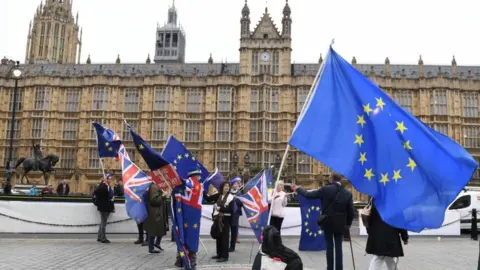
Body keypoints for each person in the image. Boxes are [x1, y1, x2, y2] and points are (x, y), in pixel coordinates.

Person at [293, 173, 354, 270]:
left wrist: (299, 188)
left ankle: (329, 268)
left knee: (329, 246)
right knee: (339, 247)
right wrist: (348, 224)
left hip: (328, 221)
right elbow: (351, 211)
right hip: (340, 223)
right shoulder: (347, 193)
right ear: (340, 180)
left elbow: (308, 195)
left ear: (331, 179)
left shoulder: (325, 189)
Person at [366, 198, 409, 270]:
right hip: (391, 235)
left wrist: (370, 232)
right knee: (383, 257)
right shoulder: (396, 202)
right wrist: (404, 237)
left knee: (383, 257)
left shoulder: (374, 199)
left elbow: (368, 219)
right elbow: (401, 222)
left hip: (377, 235)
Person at [173, 169, 204, 268]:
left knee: (185, 236)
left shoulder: (192, 185)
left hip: (186, 215)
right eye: (197, 176)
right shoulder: (195, 185)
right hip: (191, 216)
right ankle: (188, 260)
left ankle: (184, 259)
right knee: (189, 237)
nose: (198, 178)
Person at [204, 181, 234, 262]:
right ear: (222, 187)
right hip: (217, 219)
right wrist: (202, 190)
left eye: (228, 186)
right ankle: (219, 253)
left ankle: (225, 256)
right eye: (225, 186)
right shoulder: (218, 195)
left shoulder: (231, 197)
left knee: (224, 238)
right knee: (218, 237)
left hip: (226, 219)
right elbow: (208, 198)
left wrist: (220, 209)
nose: (227, 187)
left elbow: (231, 210)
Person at [143, 183, 168, 254]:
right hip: (155, 212)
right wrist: (163, 196)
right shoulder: (154, 186)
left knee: (160, 228)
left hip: (159, 211)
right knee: (153, 230)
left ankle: (157, 244)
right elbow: (154, 201)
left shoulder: (158, 185)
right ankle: (151, 248)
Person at [95, 174, 115, 243]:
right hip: (103, 207)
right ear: (106, 179)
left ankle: (99, 236)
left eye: (111, 179)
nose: (110, 180)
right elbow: (97, 192)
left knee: (103, 222)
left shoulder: (108, 186)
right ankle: (103, 238)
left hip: (107, 207)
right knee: (104, 223)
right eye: (109, 179)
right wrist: (104, 184)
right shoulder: (102, 186)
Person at [229, 177, 243, 252]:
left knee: (234, 229)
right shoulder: (229, 192)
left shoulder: (239, 193)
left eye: (237, 184)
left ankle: (232, 246)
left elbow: (242, 203)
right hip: (228, 213)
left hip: (235, 213)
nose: (236, 185)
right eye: (234, 184)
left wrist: (236, 199)